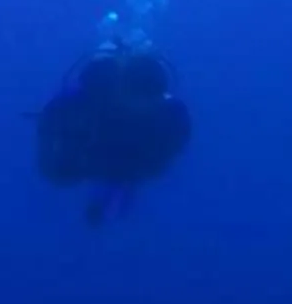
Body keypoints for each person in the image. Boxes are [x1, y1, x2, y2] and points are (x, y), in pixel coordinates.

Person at [34, 48, 195, 225]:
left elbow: (170, 151)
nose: (142, 104)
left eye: (151, 95)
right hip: (94, 153)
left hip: (126, 159)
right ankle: (111, 196)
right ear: (121, 86)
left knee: (129, 176)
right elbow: (52, 121)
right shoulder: (90, 102)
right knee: (65, 176)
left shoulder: (171, 115)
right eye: (138, 93)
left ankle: (111, 198)